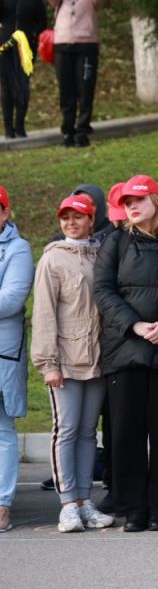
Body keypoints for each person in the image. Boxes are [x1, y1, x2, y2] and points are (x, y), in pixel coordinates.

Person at [93, 175, 158, 532]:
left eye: (138, 199)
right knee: (125, 434)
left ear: (155, 199)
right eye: (126, 202)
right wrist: (135, 326)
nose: (132, 207)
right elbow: (104, 290)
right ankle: (133, 509)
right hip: (125, 351)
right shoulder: (116, 241)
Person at [31, 194, 114, 533]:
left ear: (91, 220)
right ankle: (67, 503)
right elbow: (44, 313)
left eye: (78, 217)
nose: (71, 223)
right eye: (65, 217)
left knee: (85, 432)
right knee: (64, 431)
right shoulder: (52, 259)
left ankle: (84, 500)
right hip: (65, 360)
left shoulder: (100, 255)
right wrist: (48, 362)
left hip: (95, 359)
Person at [40, 0, 108, 148]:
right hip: (63, 48)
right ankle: (67, 132)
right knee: (66, 92)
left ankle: (82, 131)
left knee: (85, 91)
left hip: (86, 48)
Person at [0, 185, 32, 532]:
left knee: (1, 430)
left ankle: (2, 503)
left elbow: (10, 301)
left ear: (5, 213)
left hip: (2, 355)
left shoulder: (18, 249)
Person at [0, 0, 46, 139]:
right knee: (6, 87)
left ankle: (20, 126)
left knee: (22, 86)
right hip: (5, 45)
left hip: (25, 47)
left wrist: (33, 35)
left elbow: (42, 21)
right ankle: (8, 129)